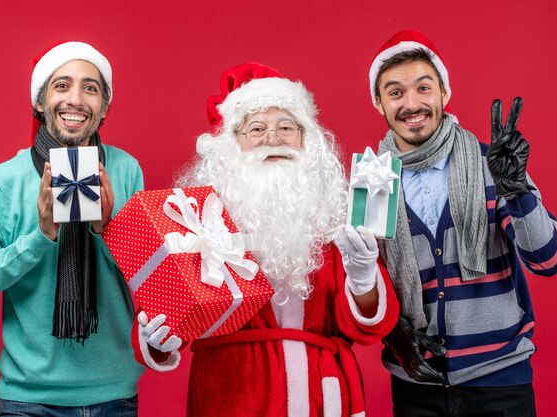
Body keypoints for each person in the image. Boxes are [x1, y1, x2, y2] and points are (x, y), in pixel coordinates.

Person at [133, 63, 400, 417]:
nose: (272, 139)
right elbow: (172, 333)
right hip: (233, 397)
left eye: (286, 127)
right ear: (232, 144)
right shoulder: (198, 223)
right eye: (257, 128)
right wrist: (155, 338)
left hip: (323, 396)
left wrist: (364, 276)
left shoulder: (334, 215)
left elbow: (369, 328)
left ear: (307, 139)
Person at [367, 30, 557, 416]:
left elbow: (547, 260)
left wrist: (517, 189)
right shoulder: (371, 183)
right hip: (415, 386)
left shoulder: (494, 166)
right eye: (395, 92)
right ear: (378, 103)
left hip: (500, 382)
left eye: (423, 87)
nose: (411, 103)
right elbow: (366, 280)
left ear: (444, 93)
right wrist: (391, 332)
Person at [0, 41, 145, 415]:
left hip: (114, 394)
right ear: (40, 102)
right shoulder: (3, 182)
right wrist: (40, 237)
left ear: (104, 106)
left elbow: (150, 278)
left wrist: (106, 229)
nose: (75, 99)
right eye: (62, 86)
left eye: (90, 88)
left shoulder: (125, 172)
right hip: (27, 398)